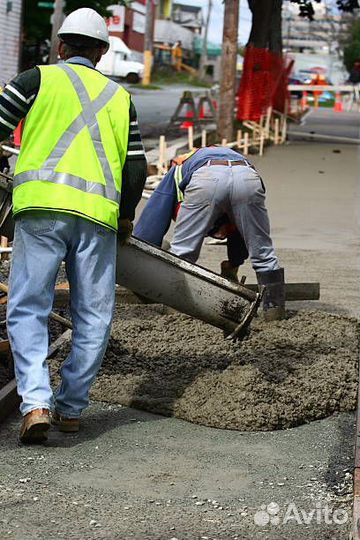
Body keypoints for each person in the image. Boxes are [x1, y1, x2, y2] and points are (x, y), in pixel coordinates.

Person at [0, 8, 147, 443]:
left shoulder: (33, 80)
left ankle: (36, 403)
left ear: (61, 46)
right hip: (97, 220)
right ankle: (71, 409)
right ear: (101, 52)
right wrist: (124, 216)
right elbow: (135, 167)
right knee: (94, 316)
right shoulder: (122, 99)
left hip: (41, 213)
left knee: (28, 307)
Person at [134, 146, 284, 321]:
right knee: (263, 253)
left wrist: (141, 253)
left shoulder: (177, 168)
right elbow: (243, 234)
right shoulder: (234, 158)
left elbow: (154, 217)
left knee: (182, 253)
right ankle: (275, 312)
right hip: (248, 179)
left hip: (206, 179)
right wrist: (233, 265)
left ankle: (174, 312)